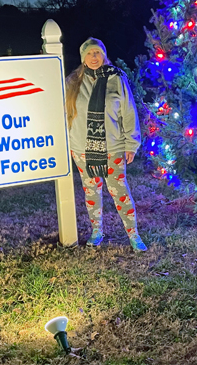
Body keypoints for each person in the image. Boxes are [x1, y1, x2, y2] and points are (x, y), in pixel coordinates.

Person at [66, 38, 147, 252]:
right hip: (82, 148)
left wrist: (131, 143)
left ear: (103, 56)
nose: (94, 58)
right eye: (90, 53)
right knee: (91, 191)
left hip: (113, 146)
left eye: (98, 53)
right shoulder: (72, 82)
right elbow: (66, 114)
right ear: (83, 57)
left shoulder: (116, 78)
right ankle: (97, 231)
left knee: (119, 191)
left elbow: (128, 111)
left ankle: (133, 235)